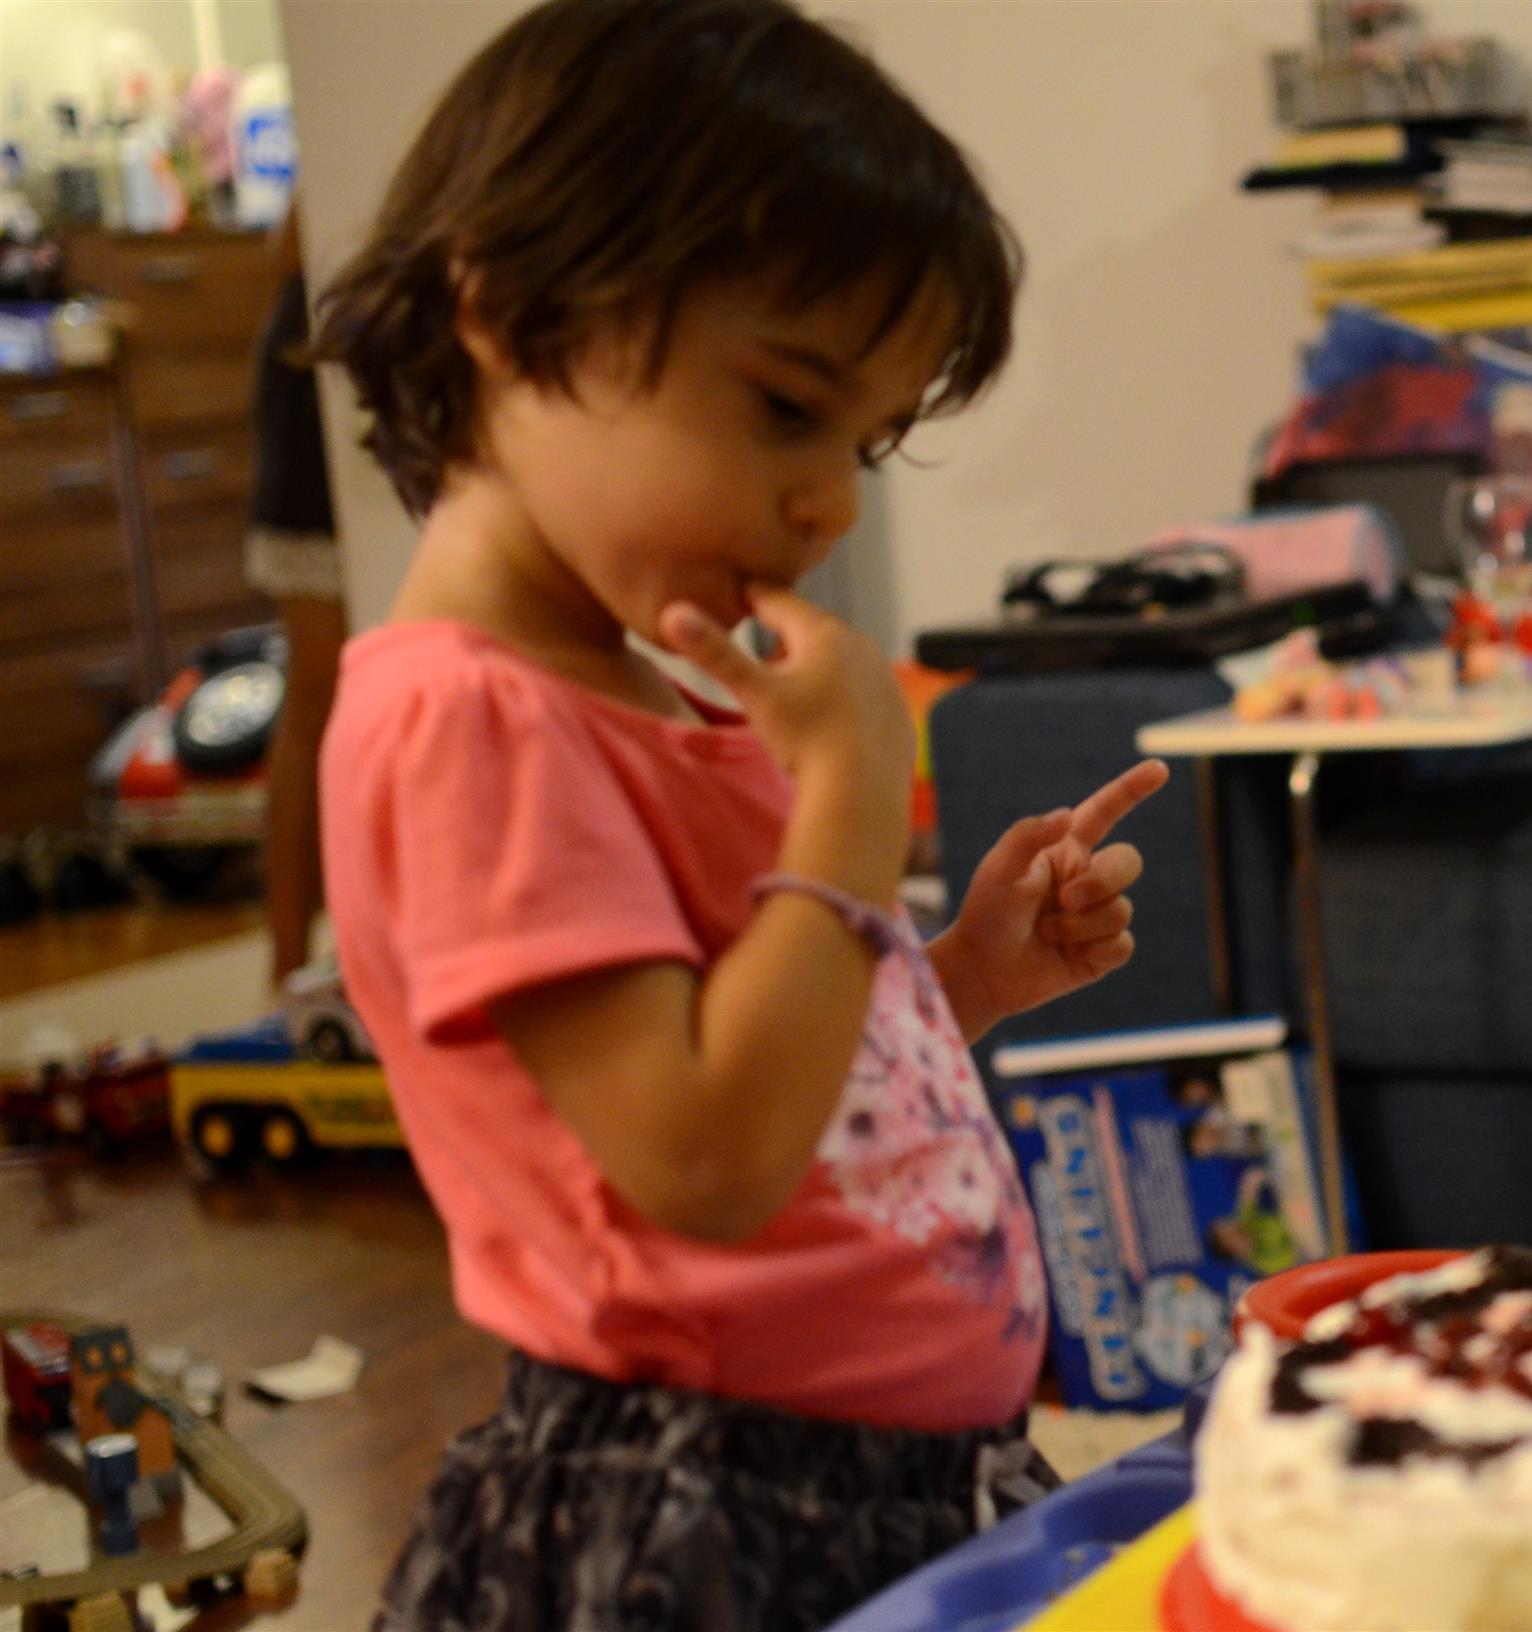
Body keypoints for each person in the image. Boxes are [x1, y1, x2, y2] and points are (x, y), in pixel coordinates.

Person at [310, 2, 1170, 1626]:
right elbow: (700, 1155)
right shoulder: (467, 724)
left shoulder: (654, 696)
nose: (830, 499)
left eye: (866, 439)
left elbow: (780, 1082)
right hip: (699, 1515)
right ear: (504, 313)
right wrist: (849, 805)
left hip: (889, 1489)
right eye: (785, 407)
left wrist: (955, 980)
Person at [242, 202, 342, 989]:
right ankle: (287, 972)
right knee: (316, 697)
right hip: (319, 360)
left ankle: (295, 970)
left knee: (317, 701)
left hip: (322, 338)